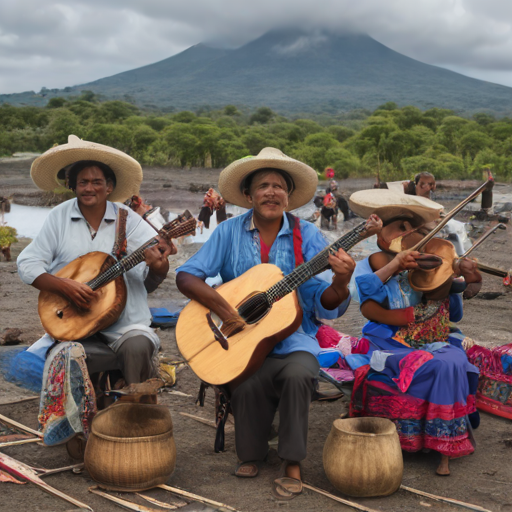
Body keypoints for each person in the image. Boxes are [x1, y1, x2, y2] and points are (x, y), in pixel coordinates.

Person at [176, 147, 356, 499]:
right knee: (248, 383)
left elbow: (324, 302)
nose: (271, 192)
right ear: (248, 195)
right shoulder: (228, 232)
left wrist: (340, 282)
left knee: (300, 372)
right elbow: (187, 276)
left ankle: (291, 459)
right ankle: (253, 452)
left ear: (288, 197)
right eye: (263, 186)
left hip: (296, 339)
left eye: (279, 186)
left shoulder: (309, 236)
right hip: (241, 339)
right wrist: (226, 311)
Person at [17, 135, 174, 446]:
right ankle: (77, 430)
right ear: (73, 186)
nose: (90, 188)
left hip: (125, 324)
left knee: (140, 344)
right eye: (83, 182)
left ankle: (135, 420)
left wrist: (159, 266)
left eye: (97, 182)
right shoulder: (59, 217)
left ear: (110, 186)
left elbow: (148, 282)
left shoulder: (130, 222)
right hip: (74, 326)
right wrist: (64, 285)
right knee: (65, 356)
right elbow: (27, 262)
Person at [347, 189, 480, 476]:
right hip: (385, 342)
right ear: (381, 234)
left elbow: (452, 315)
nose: (407, 233)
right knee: (436, 364)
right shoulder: (375, 262)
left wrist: (460, 278)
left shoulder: (426, 265)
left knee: (454, 359)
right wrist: (396, 267)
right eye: (399, 227)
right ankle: (432, 439)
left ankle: (443, 439)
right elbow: (366, 303)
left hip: (425, 340)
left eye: (413, 228)